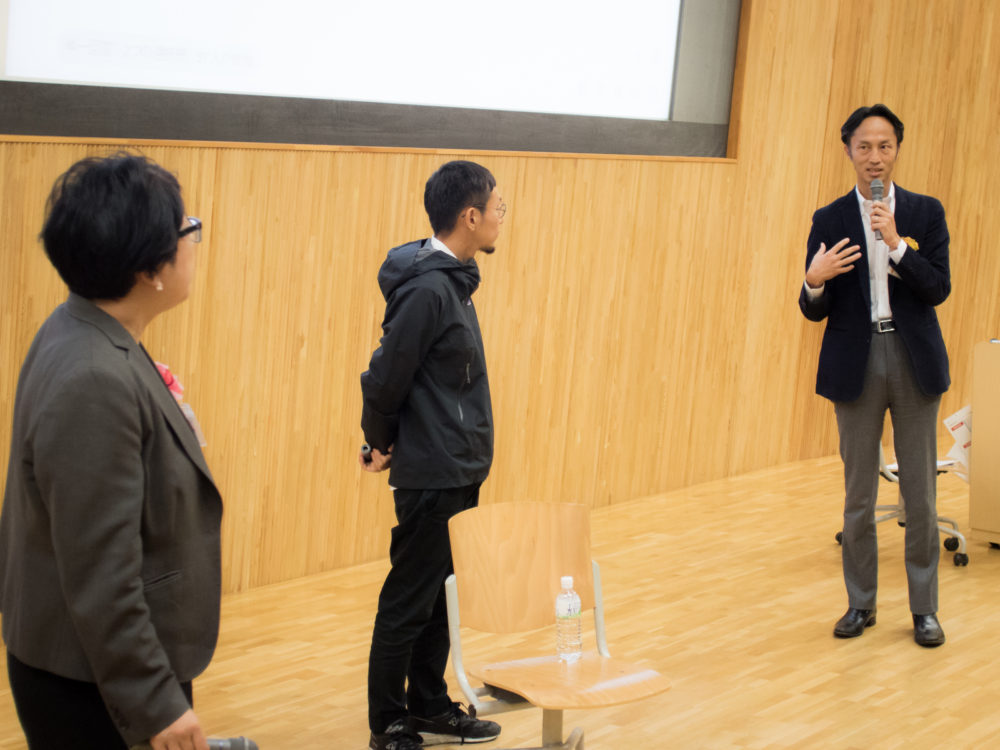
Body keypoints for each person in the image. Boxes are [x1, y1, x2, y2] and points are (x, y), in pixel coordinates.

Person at [0, 153, 223, 748]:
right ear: (150, 268)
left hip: (90, 666)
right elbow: (101, 571)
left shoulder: (79, 326)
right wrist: (156, 703)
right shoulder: (94, 377)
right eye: (187, 228)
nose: (194, 240)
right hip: (96, 685)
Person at [359, 160, 506, 749]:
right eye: (497, 208)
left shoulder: (454, 282)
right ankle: (388, 721)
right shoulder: (427, 290)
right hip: (433, 473)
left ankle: (428, 704)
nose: (501, 217)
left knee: (442, 597)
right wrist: (379, 441)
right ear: (470, 216)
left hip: (459, 468)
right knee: (409, 599)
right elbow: (384, 378)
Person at [799, 104, 951, 648]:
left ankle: (924, 609)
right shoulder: (830, 219)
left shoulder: (925, 213)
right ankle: (860, 603)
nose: (874, 157)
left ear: (896, 151)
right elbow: (814, 308)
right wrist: (814, 280)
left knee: (920, 496)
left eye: (884, 146)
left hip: (912, 359)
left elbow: (937, 288)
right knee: (858, 496)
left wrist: (897, 245)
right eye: (864, 146)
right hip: (855, 361)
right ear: (848, 151)